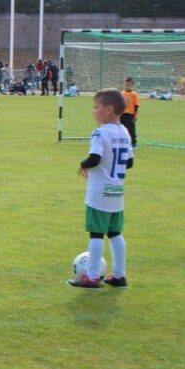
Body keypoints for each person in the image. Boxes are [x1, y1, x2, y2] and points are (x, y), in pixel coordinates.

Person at [68, 89, 133, 289]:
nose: (94, 111)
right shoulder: (124, 132)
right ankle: (119, 275)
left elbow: (95, 158)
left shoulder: (100, 132)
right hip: (117, 193)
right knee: (115, 233)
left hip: (99, 194)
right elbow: (129, 163)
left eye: (96, 107)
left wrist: (83, 164)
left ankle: (93, 276)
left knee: (96, 234)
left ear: (109, 109)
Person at [119, 78, 140, 146]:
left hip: (130, 115)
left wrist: (135, 115)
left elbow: (136, 105)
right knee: (121, 129)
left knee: (131, 130)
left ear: (131, 85)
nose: (127, 87)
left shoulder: (134, 94)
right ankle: (121, 142)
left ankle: (133, 143)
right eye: (125, 85)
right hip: (122, 114)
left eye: (128, 85)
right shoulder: (121, 93)